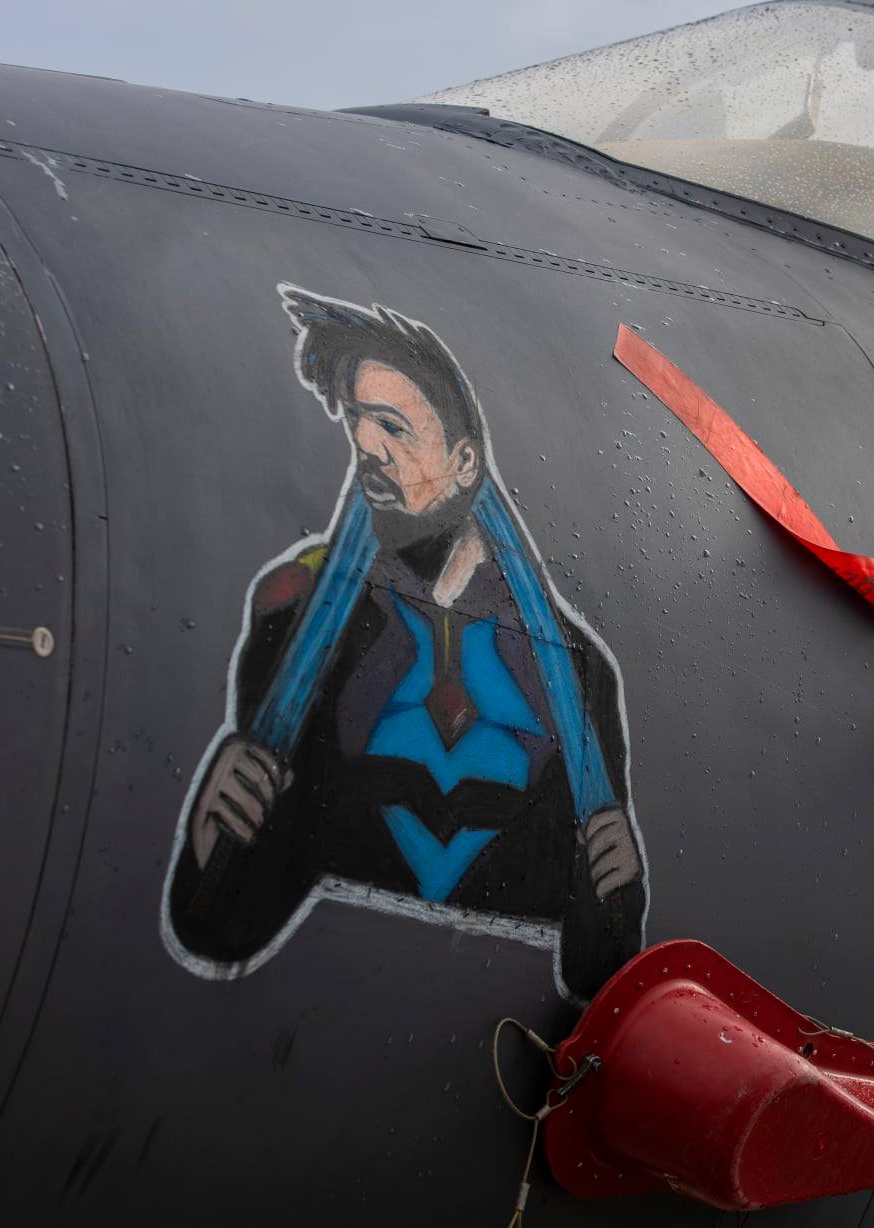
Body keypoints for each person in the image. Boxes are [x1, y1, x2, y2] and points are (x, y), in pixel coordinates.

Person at [163, 285, 644, 1001]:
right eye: (359, 423)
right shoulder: (295, 623)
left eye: (392, 426)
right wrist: (212, 849)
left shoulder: (580, 677)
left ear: (465, 462)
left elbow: (592, 978)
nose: (367, 446)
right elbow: (227, 925)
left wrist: (614, 894)